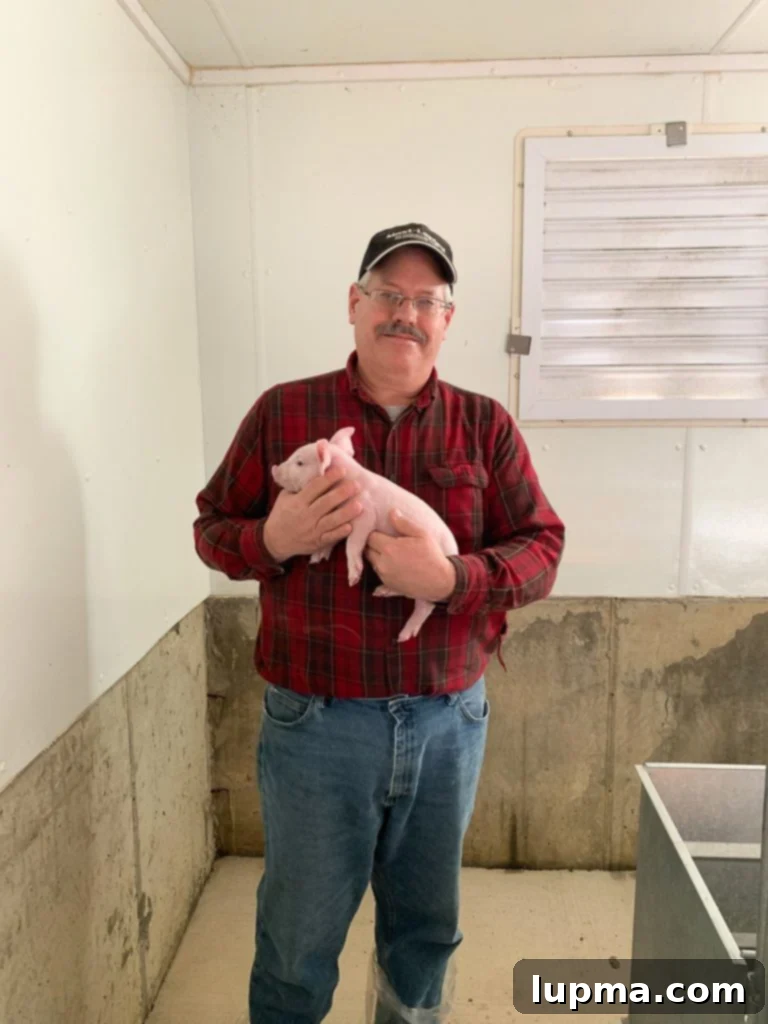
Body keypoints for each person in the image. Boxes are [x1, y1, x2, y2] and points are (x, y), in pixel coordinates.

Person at [193, 223, 565, 1023]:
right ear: (355, 304)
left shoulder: (485, 425)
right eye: (389, 294)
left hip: (446, 723)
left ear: (447, 320)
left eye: (426, 300)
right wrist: (272, 539)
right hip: (316, 725)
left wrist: (451, 578)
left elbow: (542, 548)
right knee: (296, 940)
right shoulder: (284, 412)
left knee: (425, 934)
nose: (407, 313)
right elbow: (212, 529)